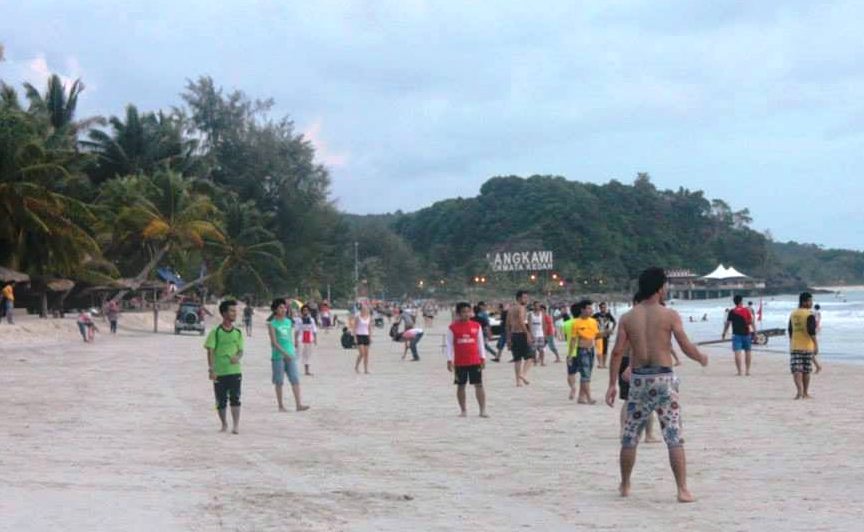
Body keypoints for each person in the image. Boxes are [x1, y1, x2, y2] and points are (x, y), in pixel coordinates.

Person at [605, 267, 709, 503]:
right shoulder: (669, 315)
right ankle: (682, 489)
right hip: (664, 379)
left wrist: (612, 383)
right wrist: (700, 357)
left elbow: (617, 352)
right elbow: (684, 345)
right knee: (673, 435)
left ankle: (625, 484)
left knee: (630, 436)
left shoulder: (628, 317)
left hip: (639, 379)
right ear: (660, 287)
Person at [205, 300, 246, 434]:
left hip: (235, 371)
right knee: (220, 400)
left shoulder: (238, 332)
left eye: (235, 311)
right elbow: (210, 351)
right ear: (224, 313)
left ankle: (236, 425)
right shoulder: (215, 332)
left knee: (235, 398)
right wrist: (211, 369)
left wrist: (237, 357)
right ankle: (224, 424)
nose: (235, 313)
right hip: (219, 372)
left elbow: (241, 350)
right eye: (232, 311)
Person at [267, 298, 310, 412]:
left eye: (284, 307)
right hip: (278, 356)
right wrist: (284, 353)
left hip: (290, 354)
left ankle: (298, 404)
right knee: (279, 381)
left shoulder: (288, 322)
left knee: (295, 379)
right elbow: (274, 342)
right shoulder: (272, 324)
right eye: (280, 307)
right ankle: (281, 405)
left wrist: (292, 349)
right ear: (275, 309)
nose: (283, 309)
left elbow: (290, 337)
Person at [446, 302, 488, 418]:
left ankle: (482, 410)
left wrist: (483, 358)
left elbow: (480, 343)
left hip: (474, 360)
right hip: (460, 362)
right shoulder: (452, 327)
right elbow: (449, 345)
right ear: (458, 313)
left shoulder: (476, 326)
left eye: (468, 311)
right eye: (463, 312)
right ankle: (463, 410)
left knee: (479, 385)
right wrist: (449, 360)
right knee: (461, 385)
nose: (466, 314)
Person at [568, 300, 600, 404]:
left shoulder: (593, 321)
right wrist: (570, 354)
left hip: (591, 350)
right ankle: (589, 397)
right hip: (582, 350)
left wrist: (605, 333)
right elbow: (573, 340)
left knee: (587, 374)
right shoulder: (576, 322)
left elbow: (596, 335)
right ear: (582, 309)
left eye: (591, 308)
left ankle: (581, 397)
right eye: (588, 308)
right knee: (585, 374)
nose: (591, 310)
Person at [788, 292, 819, 399]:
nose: (811, 303)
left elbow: (790, 331)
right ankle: (805, 392)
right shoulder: (809, 315)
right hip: (807, 346)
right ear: (804, 302)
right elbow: (812, 332)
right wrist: (816, 345)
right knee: (806, 371)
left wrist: (791, 343)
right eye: (810, 301)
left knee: (797, 370)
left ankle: (799, 391)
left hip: (795, 346)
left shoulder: (793, 314)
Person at [506, 290, 533, 386]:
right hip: (521, 334)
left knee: (517, 359)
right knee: (530, 357)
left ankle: (518, 382)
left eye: (527, 297)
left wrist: (508, 339)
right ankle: (523, 374)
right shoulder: (521, 308)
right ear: (518, 298)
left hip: (514, 335)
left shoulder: (510, 309)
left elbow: (507, 324)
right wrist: (527, 334)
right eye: (524, 298)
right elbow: (522, 321)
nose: (526, 300)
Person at [722, 295, 754, 376]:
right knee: (748, 352)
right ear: (741, 301)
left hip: (736, 335)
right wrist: (755, 332)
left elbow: (728, 324)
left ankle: (739, 371)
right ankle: (747, 371)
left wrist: (724, 333)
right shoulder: (746, 310)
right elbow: (751, 322)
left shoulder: (732, 311)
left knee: (737, 353)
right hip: (747, 334)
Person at [295, 305, 318, 376]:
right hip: (301, 338)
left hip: (309, 338)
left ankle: (307, 370)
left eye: (307, 310)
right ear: (302, 311)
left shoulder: (312, 320)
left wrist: (315, 339)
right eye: (304, 310)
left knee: (308, 355)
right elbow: (296, 330)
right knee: (298, 354)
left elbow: (314, 330)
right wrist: (295, 340)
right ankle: (293, 369)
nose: (306, 311)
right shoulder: (298, 320)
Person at [593, 302, 617, 369]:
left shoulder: (608, 315)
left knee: (605, 349)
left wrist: (612, 330)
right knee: (599, 349)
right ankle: (600, 364)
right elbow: (590, 322)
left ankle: (604, 363)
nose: (603, 308)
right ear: (599, 308)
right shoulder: (596, 315)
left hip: (606, 334)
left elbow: (614, 322)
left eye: (604, 307)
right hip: (598, 334)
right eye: (602, 307)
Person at [352, 304, 373, 374]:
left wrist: (370, 337)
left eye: (366, 309)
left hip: (366, 335)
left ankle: (366, 369)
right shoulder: (358, 317)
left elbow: (369, 328)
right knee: (362, 353)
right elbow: (354, 327)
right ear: (361, 310)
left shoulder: (369, 317)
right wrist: (355, 337)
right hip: (359, 335)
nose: (364, 310)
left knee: (367, 354)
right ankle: (356, 366)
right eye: (363, 309)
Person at [529, 301, 547, 366]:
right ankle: (535, 361)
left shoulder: (542, 314)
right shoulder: (531, 314)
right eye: (536, 305)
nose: (537, 307)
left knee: (542, 349)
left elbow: (544, 324)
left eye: (538, 306)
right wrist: (531, 334)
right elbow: (529, 324)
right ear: (533, 306)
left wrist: (545, 335)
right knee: (533, 349)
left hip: (541, 333)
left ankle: (542, 361)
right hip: (534, 333)